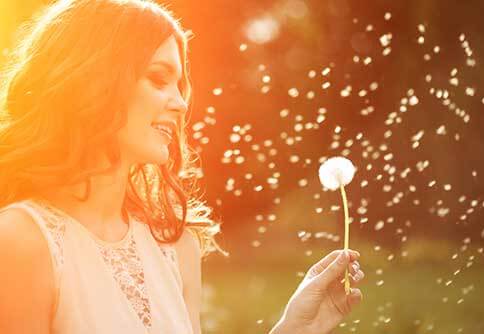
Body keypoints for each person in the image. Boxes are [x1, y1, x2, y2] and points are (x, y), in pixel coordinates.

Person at [0, 0, 365, 333]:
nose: (179, 102)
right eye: (158, 79)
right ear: (92, 82)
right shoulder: (20, 242)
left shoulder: (176, 245)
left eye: (179, 85)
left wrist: (297, 327)